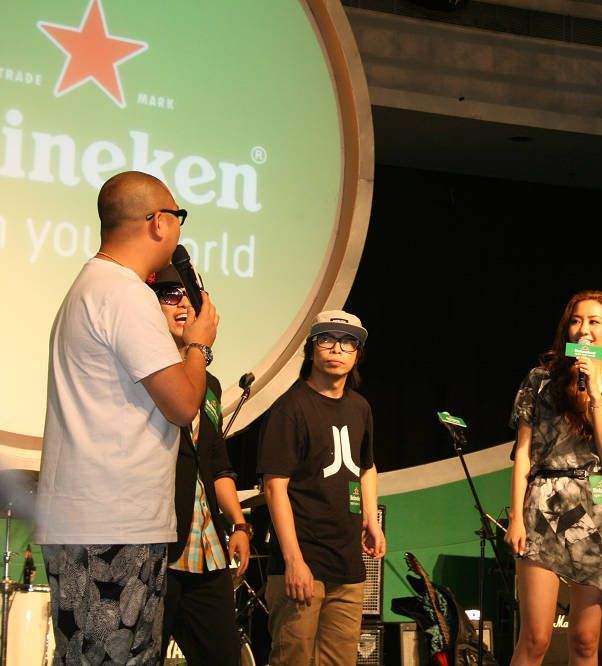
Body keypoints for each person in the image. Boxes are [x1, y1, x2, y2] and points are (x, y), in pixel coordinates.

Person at [35, 171, 219, 664]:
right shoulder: (124, 293)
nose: (178, 229)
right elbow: (182, 404)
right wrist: (199, 344)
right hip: (110, 524)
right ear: (158, 222)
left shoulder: (95, 285)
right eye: (178, 217)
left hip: (98, 520)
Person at [506, 290, 602, 666]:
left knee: (585, 640)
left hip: (595, 508)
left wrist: (594, 392)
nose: (584, 329)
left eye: (595, 321)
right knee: (535, 637)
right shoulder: (540, 380)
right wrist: (516, 517)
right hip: (542, 504)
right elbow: (522, 453)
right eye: (577, 321)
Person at [259, 310, 387, 666]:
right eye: (327, 339)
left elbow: (366, 466)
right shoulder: (291, 408)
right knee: (293, 659)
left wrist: (371, 519)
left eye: (348, 343)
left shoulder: (360, 408)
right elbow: (274, 487)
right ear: (311, 348)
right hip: (303, 562)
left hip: (347, 564)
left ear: (357, 354)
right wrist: (293, 561)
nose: (337, 349)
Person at [148, 267, 249, 665]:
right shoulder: (144, 374)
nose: (184, 305)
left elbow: (217, 463)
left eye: (189, 296)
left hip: (206, 551)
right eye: (170, 295)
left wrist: (238, 524)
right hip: (156, 547)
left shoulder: (211, 385)